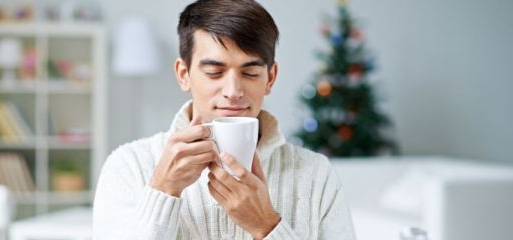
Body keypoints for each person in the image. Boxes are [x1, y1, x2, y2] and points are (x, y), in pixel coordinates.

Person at [93, 0, 356, 239]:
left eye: (250, 73)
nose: (233, 91)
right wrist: (163, 190)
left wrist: (266, 226)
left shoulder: (316, 174)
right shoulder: (128, 166)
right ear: (183, 74)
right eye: (214, 72)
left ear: (271, 78)